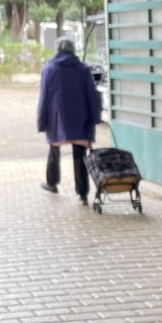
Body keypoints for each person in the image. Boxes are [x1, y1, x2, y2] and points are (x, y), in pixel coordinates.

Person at [37, 38, 103, 204]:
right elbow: (91, 95)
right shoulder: (83, 69)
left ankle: (52, 183)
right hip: (80, 118)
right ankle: (82, 194)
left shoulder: (49, 69)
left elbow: (44, 98)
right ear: (73, 50)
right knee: (79, 155)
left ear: (57, 50)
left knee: (54, 150)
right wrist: (95, 117)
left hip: (56, 118)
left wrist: (41, 122)